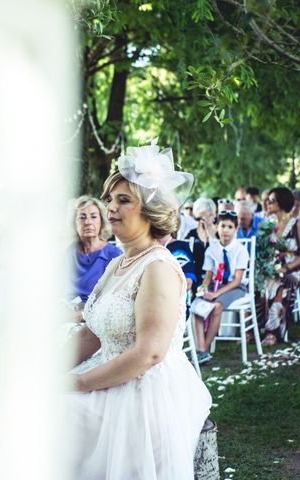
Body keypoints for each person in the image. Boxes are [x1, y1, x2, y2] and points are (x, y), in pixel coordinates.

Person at [68, 144, 211, 479]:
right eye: (109, 199)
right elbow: (91, 333)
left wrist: (78, 383)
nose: (110, 208)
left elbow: (149, 353)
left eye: (123, 200)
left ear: (149, 211)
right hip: (107, 372)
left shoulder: (158, 266)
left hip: (140, 391)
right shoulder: (119, 263)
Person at [193, 211, 249, 363]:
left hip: (236, 288)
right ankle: (201, 349)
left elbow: (237, 281)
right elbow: (208, 276)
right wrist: (204, 288)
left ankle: (203, 350)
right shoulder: (212, 250)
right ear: (216, 227)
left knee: (216, 307)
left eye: (230, 227)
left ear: (235, 230)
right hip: (215, 286)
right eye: (223, 226)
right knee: (196, 307)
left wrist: (216, 294)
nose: (226, 230)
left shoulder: (240, 250)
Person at [260, 188, 300, 346]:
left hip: (294, 268)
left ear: (282, 203)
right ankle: (253, 329)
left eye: (272, 200)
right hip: (273, 268)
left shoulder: (297, 223)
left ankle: (272, 331)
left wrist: (286, 268)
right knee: (260, 284)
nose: (268, 203)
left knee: (283, 284)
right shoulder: (269, 224)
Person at [69, 195, 122, 308]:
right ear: (75, 223)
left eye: (93, 217)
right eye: (82, 217)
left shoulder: (115, 255)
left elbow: (117, 298)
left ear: (102, 222)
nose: (88, 222)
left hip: (98, 314)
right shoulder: (68, 254)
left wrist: (82, 314)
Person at [185, 197, 217, 285]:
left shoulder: (220, 233)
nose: (201, 222)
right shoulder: (192, 234)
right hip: (196, 278)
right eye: (198, 219)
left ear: (213, 215)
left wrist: (210, 232)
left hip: (216, 279)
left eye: (205, 218)